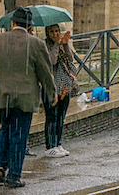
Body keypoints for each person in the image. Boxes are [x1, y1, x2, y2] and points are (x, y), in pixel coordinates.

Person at [0, 7, 57, 188]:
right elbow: (46, 73)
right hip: (25, 98)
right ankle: (13, 175)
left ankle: (0, 163)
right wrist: (52, 93)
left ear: (12, 23)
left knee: (5, 128)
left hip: (3, 96)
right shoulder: (36, 44)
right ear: (29, 26)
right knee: (19, 134)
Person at [44, 24, 78, 158]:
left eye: (57, 31)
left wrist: (65, 44)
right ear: (47, 33)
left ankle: (58, 143)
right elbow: (51, 60)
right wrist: (57, 45)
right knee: (52, 115)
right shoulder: (45, 45)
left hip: (64, 85)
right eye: (52, 31)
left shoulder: (61, 44)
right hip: (51, 86)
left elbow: (70, 59)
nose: (55, 34)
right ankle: (50, 145)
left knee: (61, 116)